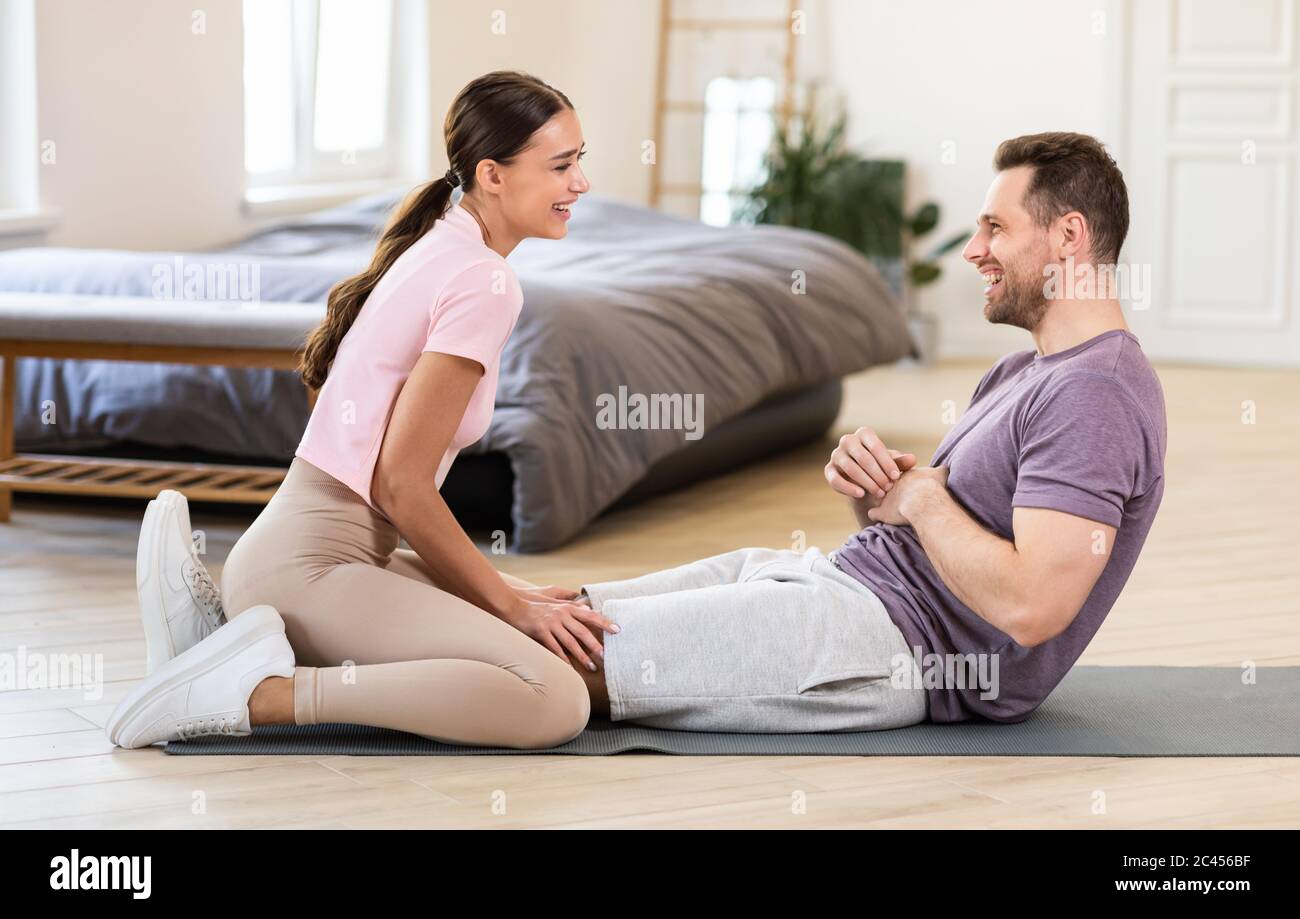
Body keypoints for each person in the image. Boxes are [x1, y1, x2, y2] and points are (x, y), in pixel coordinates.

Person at [107, 70, 618, 751]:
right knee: (552, 697)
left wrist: (508, 594)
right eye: (561, 165)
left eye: (580, 160)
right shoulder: (484, 279)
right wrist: (504, 601)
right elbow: (399, 484)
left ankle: (219, 641)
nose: (579, 182)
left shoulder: (441, 242)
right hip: (313, 572)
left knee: (559, 617)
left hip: (309, 562)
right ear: (492, 174)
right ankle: (262, 695)